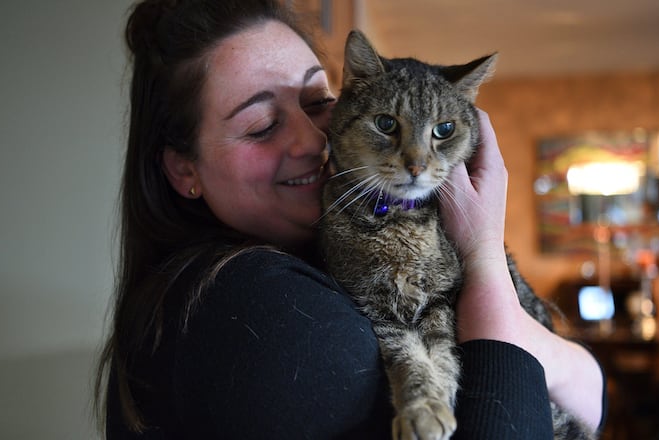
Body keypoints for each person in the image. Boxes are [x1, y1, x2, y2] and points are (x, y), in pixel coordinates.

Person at [95, 0, 606, 438]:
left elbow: (589, 391)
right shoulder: (262, 309)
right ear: (185, 167)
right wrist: (485, 256)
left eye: (319, 102)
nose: (317, 140)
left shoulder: (310, 252)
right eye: (261, 125)